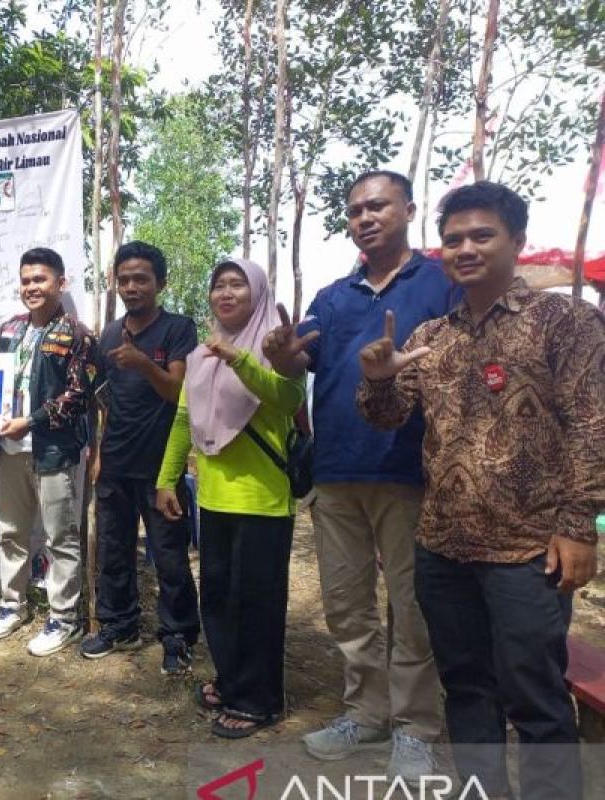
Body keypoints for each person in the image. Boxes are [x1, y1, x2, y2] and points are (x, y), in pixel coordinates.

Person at [357, 181, 604, 800]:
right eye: (452, 239)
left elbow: (593, 423)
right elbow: (386, 416)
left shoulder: (566, 321)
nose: (464, 248)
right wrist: (380, 381)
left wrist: (578, 526)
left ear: (515, 241)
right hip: (443, 547)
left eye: (481, 235)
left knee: (536, 699)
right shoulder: (432, 338)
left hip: (529, 552)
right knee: (466, 691)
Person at [262, 170, 451, 778]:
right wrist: (281, 354)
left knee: (411, 604)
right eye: (355, 211)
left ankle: (415, 728)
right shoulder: (334, 295)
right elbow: (301, 358)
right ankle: (365, 715)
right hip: (336, 470)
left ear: (409, 210)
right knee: (347, 604)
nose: (365, 218)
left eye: (378, 206)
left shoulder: (440, 283)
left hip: (409, 469)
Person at [155, 258, 303, 738]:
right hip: (214, 498)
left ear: (257, 292)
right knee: (218, 598)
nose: (226, 292)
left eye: (237, 284)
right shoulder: (201, 355)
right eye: (218, 284)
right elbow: (183, 419)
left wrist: (240, 359)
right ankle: (232, 678)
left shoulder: (279, 348)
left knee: (255, 603)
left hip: (262, 500)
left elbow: (288, 400)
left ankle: (259, 700)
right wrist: (167, 479)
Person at [0, 247, 95, 657]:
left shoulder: (78, 333)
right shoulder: (9, 329)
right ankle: (11, 605)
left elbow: (79, 396)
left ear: (60, 283)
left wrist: (30, 422)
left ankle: (64, 619)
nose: (32, 287)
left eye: (40, 279)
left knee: (61, 537)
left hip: (54, 452)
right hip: (10, 449)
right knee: (12, 533)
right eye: (26, 280)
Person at [79, 241, 200, 675]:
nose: (131, 287)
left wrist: (145, 363)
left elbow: (179, 392)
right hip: (114, 460)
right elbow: (105, 400)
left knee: (168, 555)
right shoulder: (109, 334)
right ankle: (118, 625)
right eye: (124, 279)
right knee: (113, 550)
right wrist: (98, 450)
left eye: (141, 279)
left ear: (160, 283)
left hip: (160, 466)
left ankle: (178, 636)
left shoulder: (178, 329)